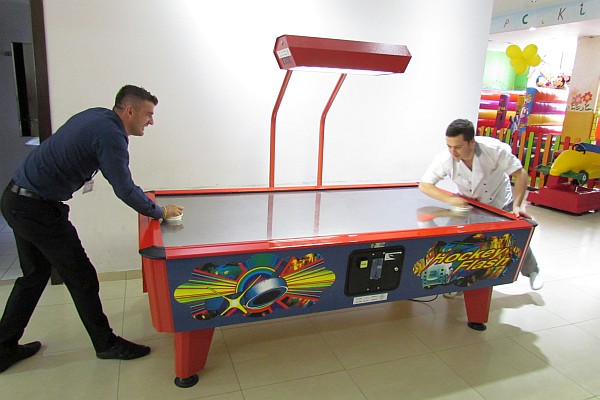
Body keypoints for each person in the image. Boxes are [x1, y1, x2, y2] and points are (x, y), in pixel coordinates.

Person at [0, 85, 184, 373]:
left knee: (34, 276)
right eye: (148, 114)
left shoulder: (98, 116)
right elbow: (123, 188)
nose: (151, 121)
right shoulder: (110, 134)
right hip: (37, 208)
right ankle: (106, 344)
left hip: (16, 199)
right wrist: (159, 211)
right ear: (130, 110)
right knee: (82, 276)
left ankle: (3, 348)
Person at [418, 118, 543, 291]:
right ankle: (456, 283)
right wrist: (450, 200)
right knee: (459, 241)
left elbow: (520, 174)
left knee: (513, 239)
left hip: (499, 200)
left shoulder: (494, 150)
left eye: (458, 147)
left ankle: (533, 271)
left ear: (471, 142)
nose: (453, 151)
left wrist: (518, 205)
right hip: (469, 202)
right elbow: (424, 185)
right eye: (449, 146)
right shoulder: (444, 158)